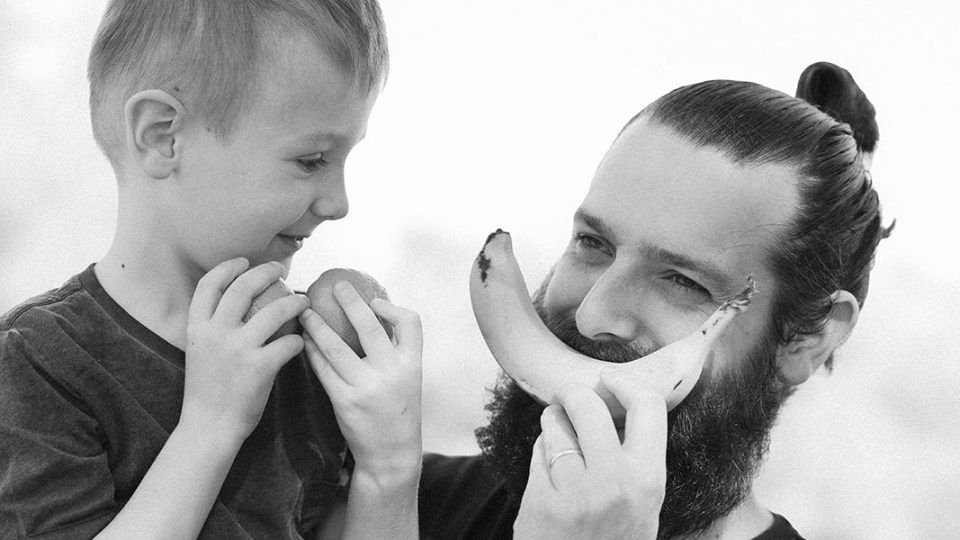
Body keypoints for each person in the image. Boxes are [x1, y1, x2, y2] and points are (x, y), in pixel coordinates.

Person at [0, 1, 423, 538]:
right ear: (163, 138)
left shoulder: (306, 359)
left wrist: (388, 472)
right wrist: (211, 423)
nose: (339, 203)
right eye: (311, 160)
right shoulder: (39, 363)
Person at [418, 63, 889, 539]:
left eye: (682, 281)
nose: (591, 315)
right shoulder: (405, 505)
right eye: (593, 243)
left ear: (808, 339)